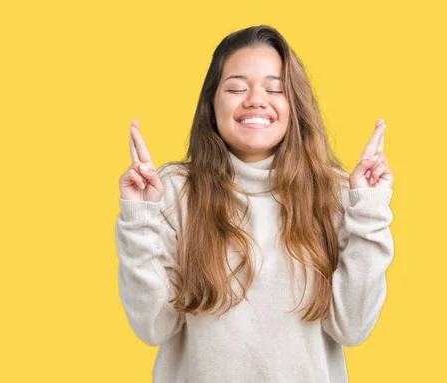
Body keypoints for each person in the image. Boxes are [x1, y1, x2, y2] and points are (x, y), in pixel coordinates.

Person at [114, 25, 394, 383]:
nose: (256, 100)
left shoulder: (334, 193)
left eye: (275, 88)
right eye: (236, 88)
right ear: (211, 104)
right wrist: (140, 218)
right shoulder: (175, 191)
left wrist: (369, 209)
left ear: (295, 105)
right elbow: (151, 325)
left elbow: (352, 328)